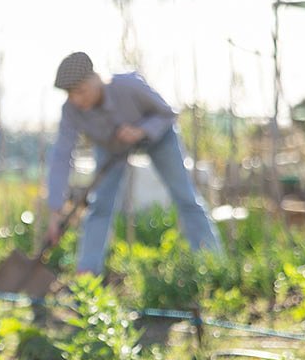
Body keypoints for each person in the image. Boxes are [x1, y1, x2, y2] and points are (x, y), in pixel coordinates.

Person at [44, 51, 223, 274]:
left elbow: (167, 114)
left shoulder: (128, 86)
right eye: (71, 94)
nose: (77, 99)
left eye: (81, 91)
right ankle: (87, 274)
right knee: (100, 206)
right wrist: (55, 209)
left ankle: (213, 265)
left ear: (97, 79)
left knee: (185, 197)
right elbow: (61, 155)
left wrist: (141, 130)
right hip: (111, 148)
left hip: (158, 137)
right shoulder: (71, 110)